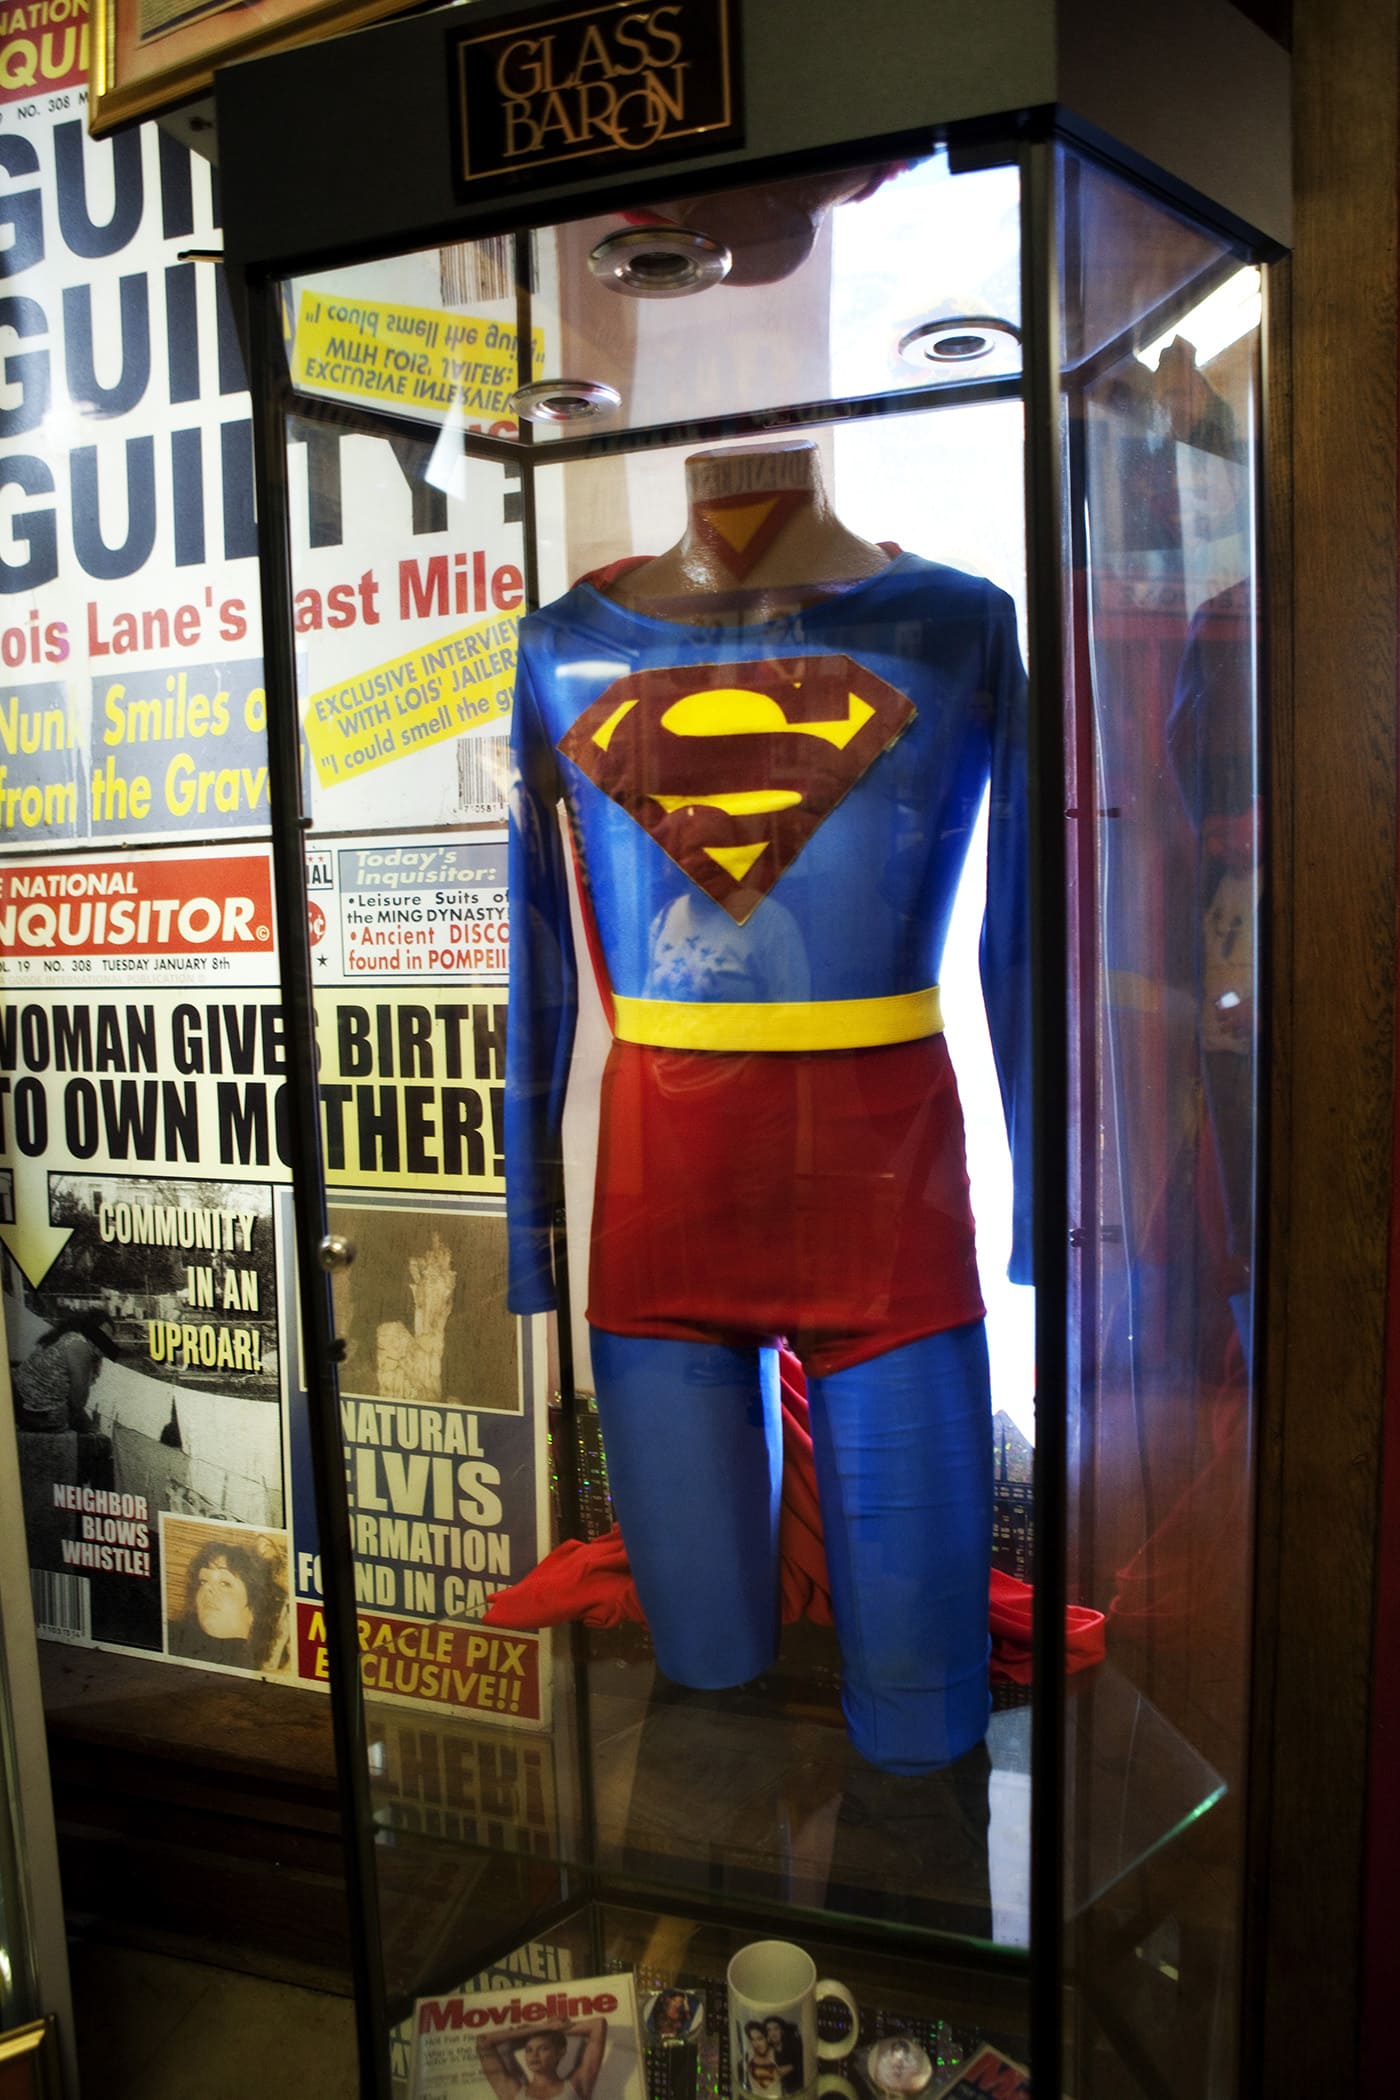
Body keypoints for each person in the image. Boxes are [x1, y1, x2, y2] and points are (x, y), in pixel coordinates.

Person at [168, 1533, 290, 1673]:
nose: (207, 1588)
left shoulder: (265, 1668)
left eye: (225, 1583)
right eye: (203, 1581)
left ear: (257, 1605)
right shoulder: (172, 1635)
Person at [12, 1311, 121, 1434]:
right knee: (93, 1434)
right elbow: (78, 1403)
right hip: (35, 1412)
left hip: (20, 1397)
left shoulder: (68, 1336)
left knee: (86, 1424)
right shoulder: (80, 1347)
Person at [477, 2018, 608, 2100]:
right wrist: (544, 2027)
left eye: (543, 2048)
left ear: (560, 2052)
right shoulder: (513, 2093)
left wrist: (555, 2030)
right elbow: (483, 2041)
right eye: (529, 2050)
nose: (534, 2055)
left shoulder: (577, 2085)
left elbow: (598, 2025)